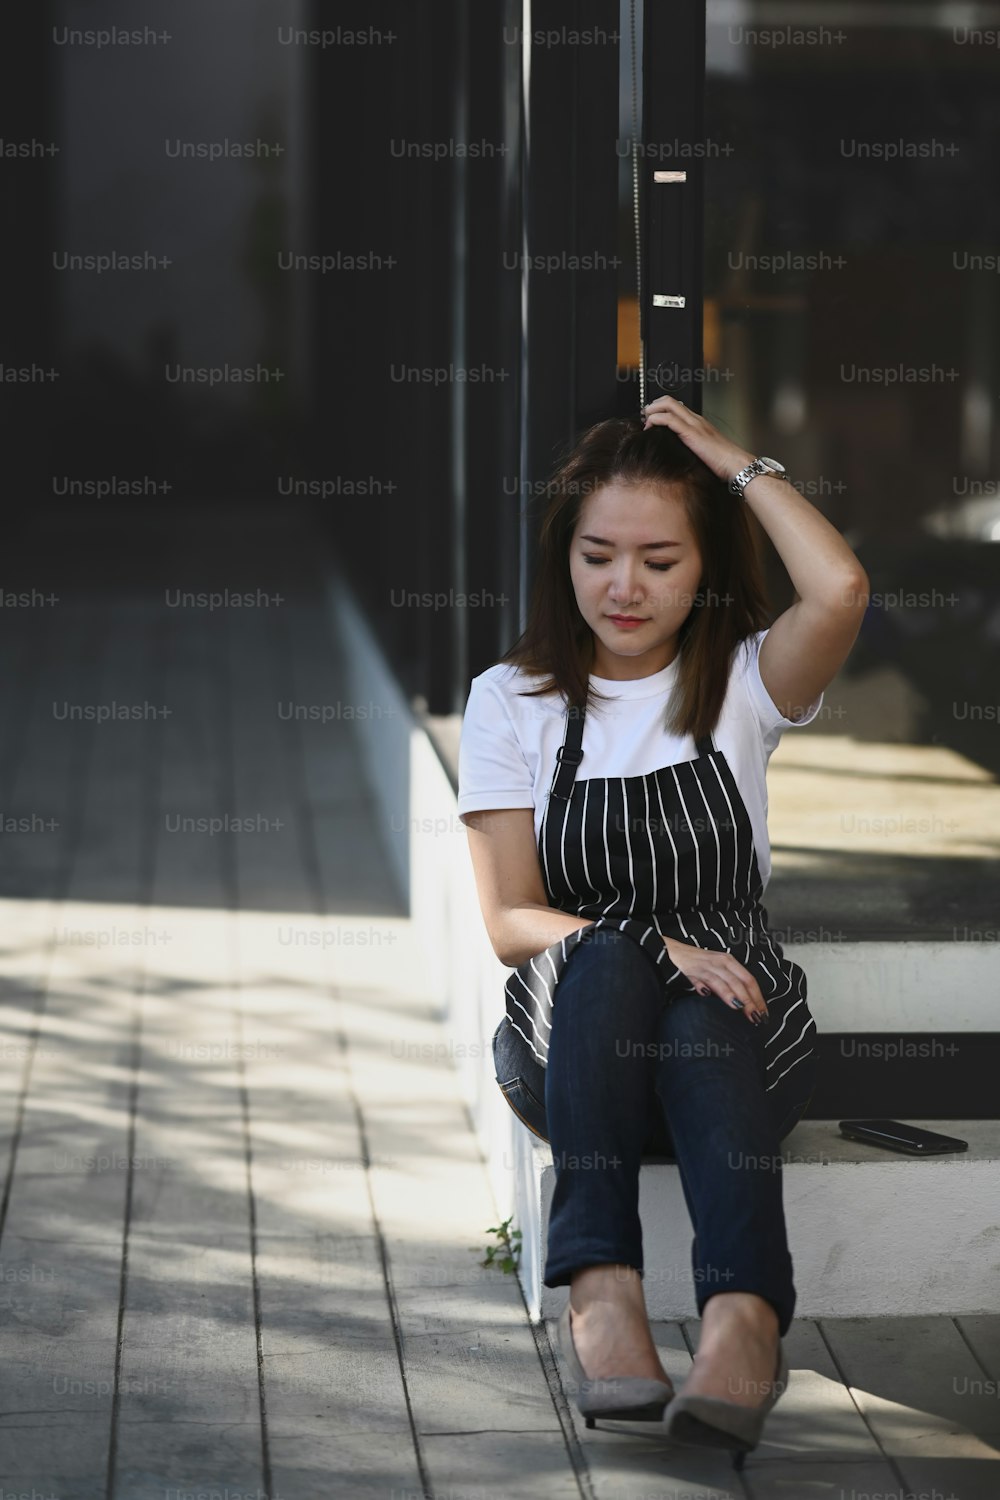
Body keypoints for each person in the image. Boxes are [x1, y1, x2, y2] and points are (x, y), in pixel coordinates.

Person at [457, 396, 869, 1463]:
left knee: (699, 1018)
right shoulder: (512, 700)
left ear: (702, 571)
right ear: (565, 560)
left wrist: (734, 462)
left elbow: (840, 587)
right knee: (602, 956)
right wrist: (651, 944)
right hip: (574, 1050)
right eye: (598, 556)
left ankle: (738, 1322)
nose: (624, 587)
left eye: (658, 560)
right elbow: (510, 921)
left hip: (729, 1052)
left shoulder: (742, 680)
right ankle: (607, 1285)